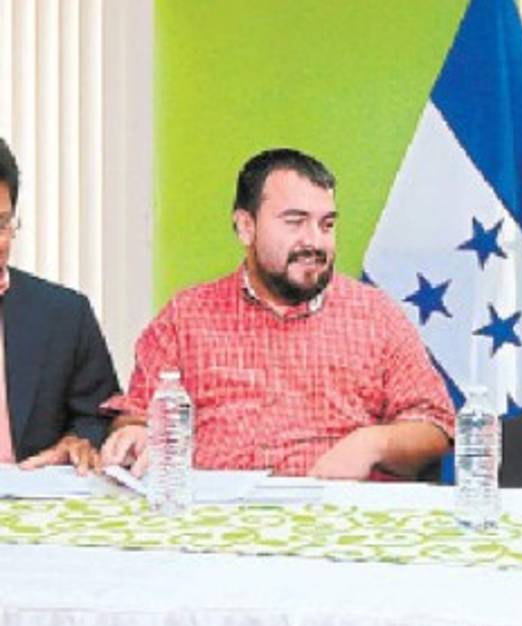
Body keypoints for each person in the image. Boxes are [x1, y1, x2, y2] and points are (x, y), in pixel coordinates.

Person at [100, 148, 454, 479]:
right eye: (295, 222)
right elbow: (138, 413)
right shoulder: (186, 317)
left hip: (339, 511)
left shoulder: (377, 315)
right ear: (246, 226)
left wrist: (373, 443)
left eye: (327, 225)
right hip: (220, 513)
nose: (314, 242)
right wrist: (135, 433)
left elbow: (436, 425)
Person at [0, 138, 120, 474]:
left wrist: (76, 442)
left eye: (1, 224)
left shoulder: (64, 315)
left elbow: (99, 417)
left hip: (29, 497)